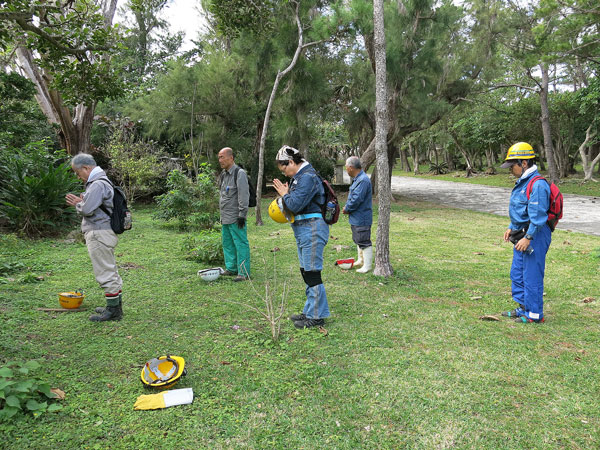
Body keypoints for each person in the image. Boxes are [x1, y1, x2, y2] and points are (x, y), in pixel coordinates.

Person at [272, 145, 330, 329]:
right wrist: (287, 195)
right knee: (306, 271)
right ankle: (310, 310)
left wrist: (284, 194)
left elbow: (295, 205)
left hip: (311, 228)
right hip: (304, 228)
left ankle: (316, 316)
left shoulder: (307, 178)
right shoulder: (301, 177)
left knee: (312, 273)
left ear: (291, 162)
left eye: (285, 169)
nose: (285, 174)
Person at [65, 154, 123, 322]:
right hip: (104, 231)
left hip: (99, 232)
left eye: (78, 172)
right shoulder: (101, 181)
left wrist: (78, 203)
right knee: (109, 269)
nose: (78, 176)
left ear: (86, 168)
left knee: (105, 271)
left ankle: (113, 311)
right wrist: (84, 200)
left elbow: (88, 209)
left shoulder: (97, 184)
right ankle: (114, 306)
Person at [501, 142, 552, 323]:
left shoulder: (537, 185)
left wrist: (529, 237)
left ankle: (535, 315)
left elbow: (538, 216)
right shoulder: (524, 181)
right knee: (518, 272)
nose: (510, 170)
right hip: (522, 233)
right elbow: (521, 211)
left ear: (524, 163)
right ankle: (523, 308)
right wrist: (511, 226)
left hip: (535, 235)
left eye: (512, 166)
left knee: (531, 275)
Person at [218, 147, 251, 281]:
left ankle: (243, 273)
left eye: (222, 157)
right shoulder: (223, 174)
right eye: (219, 158)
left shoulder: (239, 173)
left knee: (241, 243)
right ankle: (231, 268)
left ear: (231, 158)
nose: (220, 160)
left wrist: (242, 215)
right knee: (227, 243)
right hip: (225, 217)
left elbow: (244, 195)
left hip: (236, 217)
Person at [342, 156, 373, 273]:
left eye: (346, 167)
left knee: (364, 240)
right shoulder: (357, 179)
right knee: (358, 239)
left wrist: (347, 209)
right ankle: (361, 260)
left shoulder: (363, 180)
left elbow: (357, 199)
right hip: (356, 217)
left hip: (362, 217)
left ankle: (367, 265)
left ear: (350, 167)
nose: (346, 169)